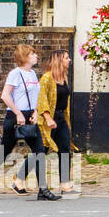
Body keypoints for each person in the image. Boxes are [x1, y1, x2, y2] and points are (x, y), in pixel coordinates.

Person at [0, 44, 58, 201]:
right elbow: (5, 96)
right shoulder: (15, 74)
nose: (36, 56)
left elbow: (36, 96)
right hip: (14, 118)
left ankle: (43, 189)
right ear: (25, 57)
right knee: (4, 153)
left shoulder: (33, 74)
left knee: (40, 151)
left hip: (29, 117)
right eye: (33, 54)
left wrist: (35, 112)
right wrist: (18, 113)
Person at [35, 49, 75, 195]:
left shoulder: (63, 78)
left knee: (65, 149)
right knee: (41, 151)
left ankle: (64, 184)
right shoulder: (46, 78)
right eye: (66, 58)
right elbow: (41, 99)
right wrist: (48, 118)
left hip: (61, 119)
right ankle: (20, 179)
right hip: (48, 120)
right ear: (59, 60)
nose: (69, 60)